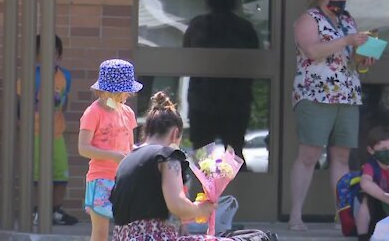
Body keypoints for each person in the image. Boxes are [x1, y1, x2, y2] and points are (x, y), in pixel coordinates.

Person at [110, 91, 271, 240]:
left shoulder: (127, 159)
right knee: (256, 237)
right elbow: (178, 205)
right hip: (154, 237)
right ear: (175, 133)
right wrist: (201, 209)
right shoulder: (168, 156)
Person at [289, 0, 375, 230]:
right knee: (309, 155)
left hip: (347, 95)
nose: (341, 0)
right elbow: (313, 50)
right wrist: (347, 40)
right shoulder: (308, 19)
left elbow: (351, 59)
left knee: (341, 157)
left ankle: (343, 216)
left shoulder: (348, 21)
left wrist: (364, 58)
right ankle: (295, 216)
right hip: (315, 94)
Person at [183, 0, 259, 172]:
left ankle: (202, 193)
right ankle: (239, 193)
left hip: (202, 100)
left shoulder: (198, 26)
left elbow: (186, 57)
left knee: (202, 155)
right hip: (236, 101)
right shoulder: (244, 28)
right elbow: (255, 64)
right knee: (234, 153)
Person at [78, 59, 142, 241]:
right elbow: (83, 148)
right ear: (108, 91)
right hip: (100, 179)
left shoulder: (127, 112)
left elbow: (130, 146)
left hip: (123, 178)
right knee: (100, 233)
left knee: (127, 230)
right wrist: (112, 156)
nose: (127, 96)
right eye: (124, 92)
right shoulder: (93, 112)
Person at [17, 34, 78, 225]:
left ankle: (55, 210)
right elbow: (20, 105)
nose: (49, 57)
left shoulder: (64, 76)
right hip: (34, 133)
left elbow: (64, 102)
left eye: (53, 52)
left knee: (61, 174)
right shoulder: (29, 75)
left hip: (56, 133)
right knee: (36, 175)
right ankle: (37, 210)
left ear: (58, 54)